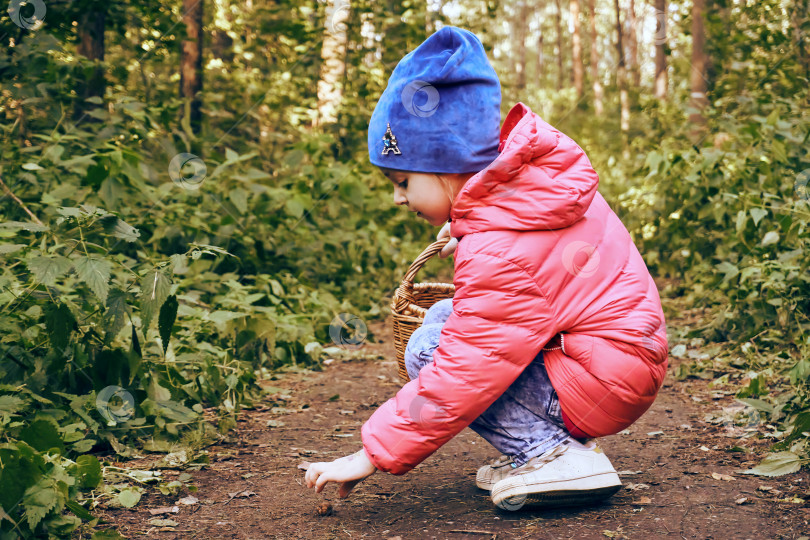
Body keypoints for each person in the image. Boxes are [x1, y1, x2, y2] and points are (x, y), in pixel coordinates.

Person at [303, 25, 668, 511]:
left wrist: (373, 451)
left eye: (403, 180)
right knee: (442, 319)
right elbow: (536, 270)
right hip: (613, 364)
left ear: (447, 165)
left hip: (602, 380)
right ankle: (543, 448)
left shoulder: (499, 248)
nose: (397, 196)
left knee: (431, 346)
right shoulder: (533, 186)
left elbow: (468, 365)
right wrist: (466, 230)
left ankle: (553, 455)